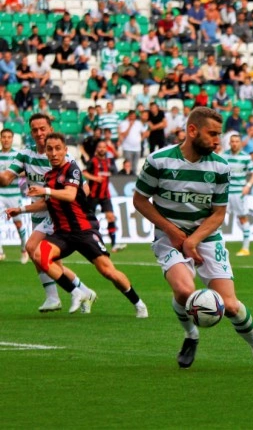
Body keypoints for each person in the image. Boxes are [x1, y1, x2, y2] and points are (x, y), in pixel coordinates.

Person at [133, 107, 253, 369]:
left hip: (206, 236)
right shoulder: (159, 161)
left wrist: (193, 240)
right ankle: (191, 335)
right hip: (169, 237)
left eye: (220, 134)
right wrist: (174, 232)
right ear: (192, 131)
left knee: (230, 305)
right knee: (184, 291)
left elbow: (218, 214)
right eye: (212, 134)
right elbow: (139, 200)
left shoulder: (221, 166)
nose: (218, 141)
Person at [5, 132, 148, 318]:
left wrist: (45, 190)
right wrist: (21, 210)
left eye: (58, 149)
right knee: (38, 254)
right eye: (50, 149)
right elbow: (48, 202)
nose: (54, 153)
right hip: (63, 233)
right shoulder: (49, 176)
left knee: (108, 271)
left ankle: (138, 303)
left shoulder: (72, 169)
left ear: (65, 150)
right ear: (45, 153)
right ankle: (77, 292)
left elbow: (70, 194)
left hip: (84, 231)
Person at [0, 114, 94, 313]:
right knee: (47, 261)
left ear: (50, 129)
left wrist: (66, 200)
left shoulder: (64, 157)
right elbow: (6, 179)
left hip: (57, 214)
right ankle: (83, 291)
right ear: (30, 133)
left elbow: (84, 189)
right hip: (37, 212)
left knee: (35, 250)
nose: (39, 133)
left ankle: (56, 297)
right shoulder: (25, 154)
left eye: (43, 128)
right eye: (35, 130)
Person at [82, 141, 126, 253]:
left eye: (104, 147)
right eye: (100, 147)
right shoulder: (93, 161)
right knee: (89, 219)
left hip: (105, 195)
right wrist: (95, 178)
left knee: (111, 217)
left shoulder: (109, 161)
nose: (102, 149)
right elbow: (84, 173)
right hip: (93, 195)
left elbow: (113, 170)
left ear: (106, 149)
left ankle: (114, 244)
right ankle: (85, 241)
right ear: (97, 149)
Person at [223, 134, 253, 257]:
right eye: (232, 141)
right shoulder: (224, 156)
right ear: (229, 143)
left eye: (237, 141)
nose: (234, 143)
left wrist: (248, 186)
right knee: (218, 219)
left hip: (239, 193)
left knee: (242, 218)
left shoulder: (246, 157)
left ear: (240, 143)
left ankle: (245, 248)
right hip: (225, 193)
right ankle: (218, 246)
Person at [0, 128, 30, 263]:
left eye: (8, 137)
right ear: (0, 139)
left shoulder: (17, 155)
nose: (6, 139)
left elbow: (26, 171)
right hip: (0, 193)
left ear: (12, 139)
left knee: (18, 224)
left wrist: (11, 174)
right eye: (4, 137)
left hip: (13, 194)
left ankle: (24, 249)